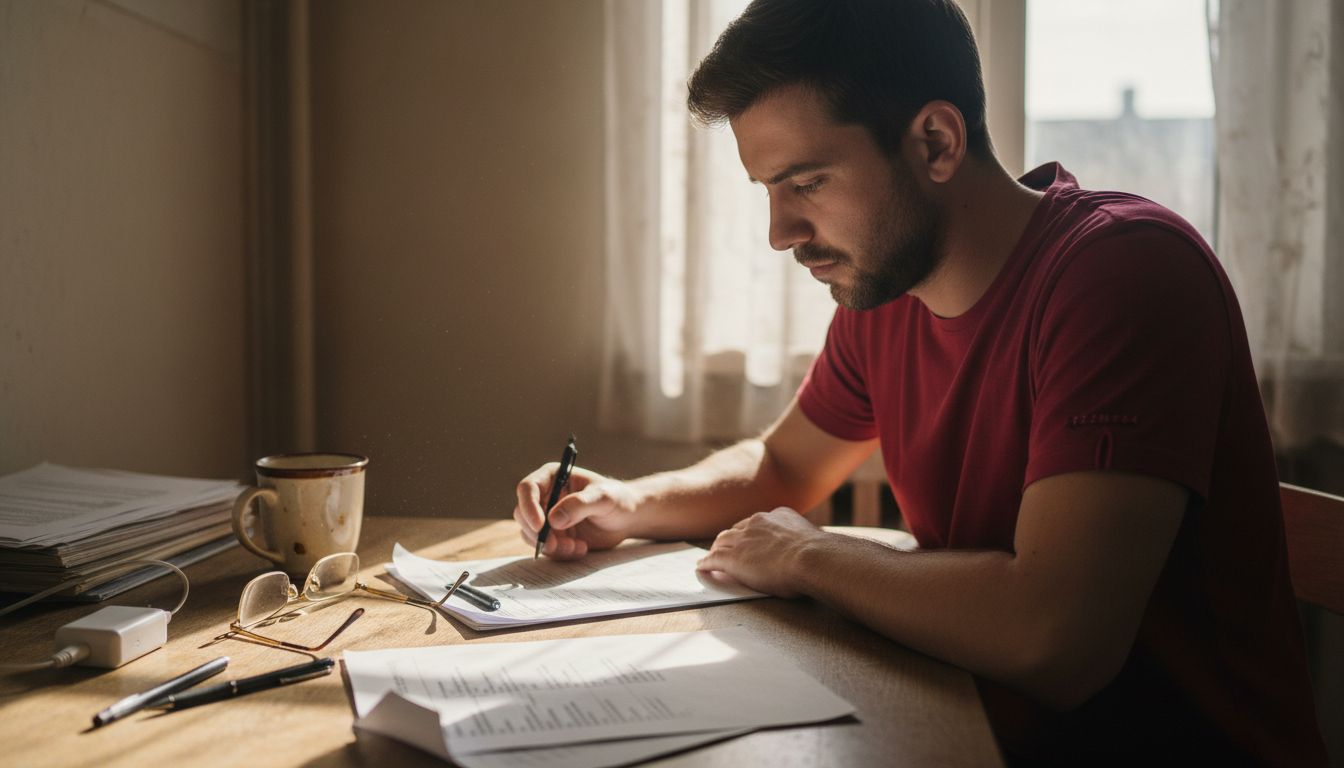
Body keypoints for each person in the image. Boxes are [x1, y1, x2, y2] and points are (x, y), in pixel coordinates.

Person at [513, 1, 1327, 764]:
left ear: (936, 142)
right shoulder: (885, 289)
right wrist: (632, 502)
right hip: (973, 729)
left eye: (806, 183)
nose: (780, 233)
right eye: (768, 191)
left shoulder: (1126, 273)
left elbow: (1056, 639)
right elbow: (787, 468)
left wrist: (810, 558)